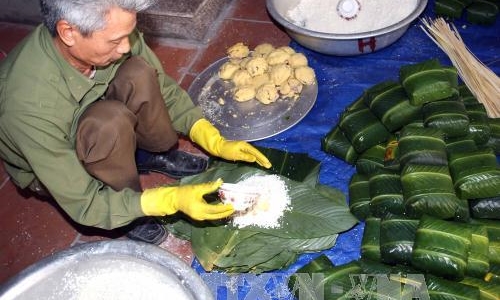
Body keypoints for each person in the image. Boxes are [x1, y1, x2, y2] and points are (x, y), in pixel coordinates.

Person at [0, 0, 272, 244]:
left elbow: (162, 87)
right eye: (115, 41)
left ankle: (148, 153)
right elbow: (84, 202)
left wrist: (207, 135)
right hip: (56, 162)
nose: (126, 46)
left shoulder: (114, 32)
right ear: (68, 32)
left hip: (92, 106)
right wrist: (168, 200)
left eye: (128, 34)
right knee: (109, 125)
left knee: (139, 72)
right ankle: (127, 205)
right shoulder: (27, 104)